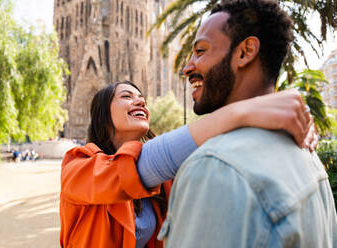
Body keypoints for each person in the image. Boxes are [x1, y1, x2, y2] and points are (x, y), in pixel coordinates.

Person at [159, 1, 337, 247]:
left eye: (200, 51)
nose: (188, 67)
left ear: (245, 52)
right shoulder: (308, 156)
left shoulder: (215, 168)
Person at [59, 78, 315, 247]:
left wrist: (289, 132)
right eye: (127, 96)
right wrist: (243, 112)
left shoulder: (163, 182)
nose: (141, 102)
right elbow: (132, 170)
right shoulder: (78, 166)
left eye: (142, 98)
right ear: (103, 115)